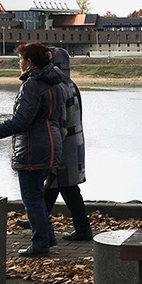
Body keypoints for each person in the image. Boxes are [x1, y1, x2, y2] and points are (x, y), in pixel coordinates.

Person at [0, 41, 65, 257]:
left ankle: (40, 243)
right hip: (51, 145)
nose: (19, 63)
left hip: (34, 147)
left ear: (29, 62)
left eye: (20, 59)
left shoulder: (32, 85)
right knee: (36, 194)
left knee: (31, 197)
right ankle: (48, 236)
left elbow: (21, 121)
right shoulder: (55, 83)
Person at [45, 48, 92, 241]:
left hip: (65, 145)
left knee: (67, 187)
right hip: (75, 142)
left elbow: (61, 121)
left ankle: (83, 229)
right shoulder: (70, 84)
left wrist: (52, 145)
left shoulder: (60, 88)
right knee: (54, 185)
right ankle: (37, 217)